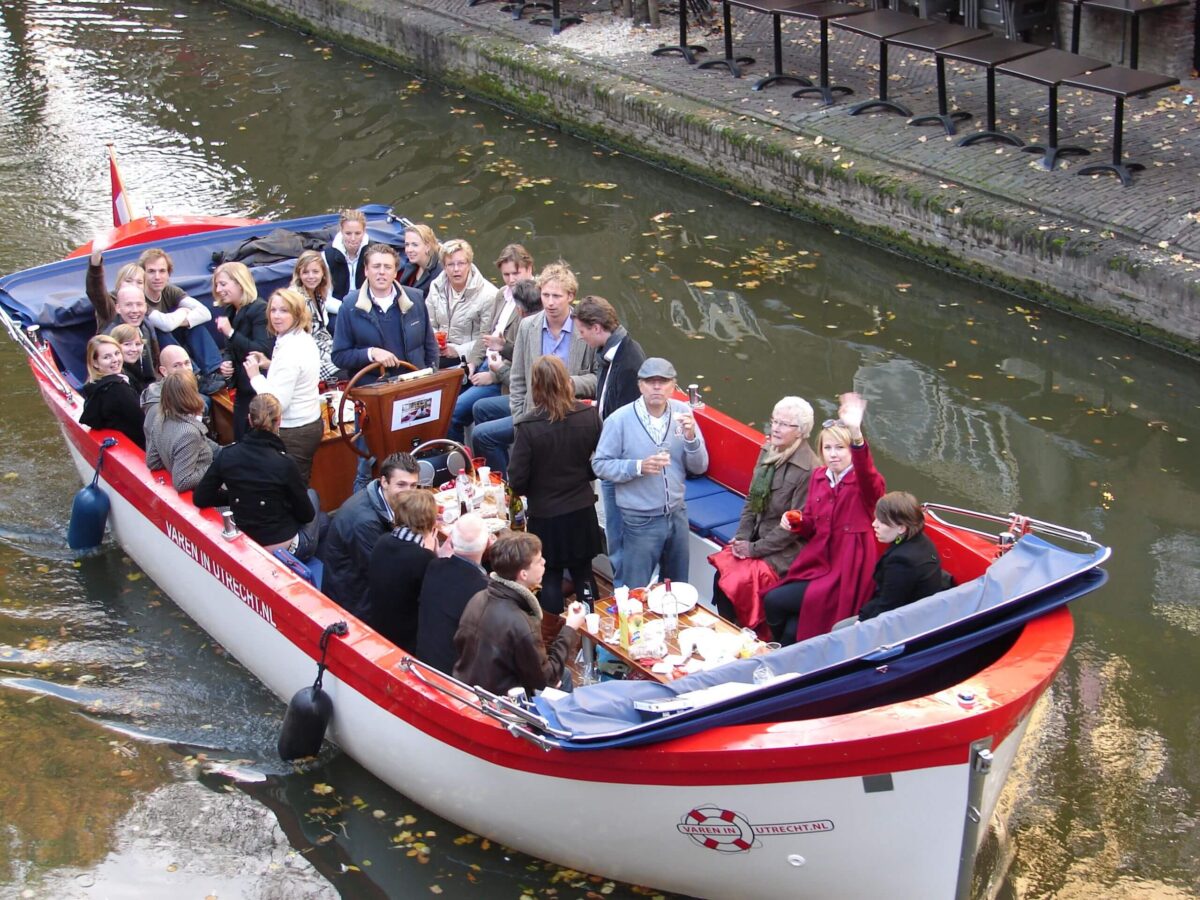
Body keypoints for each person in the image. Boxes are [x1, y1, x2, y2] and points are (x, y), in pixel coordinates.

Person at [763, 392, 886, 645]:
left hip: (847, 568)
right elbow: (812, 526)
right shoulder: (819, 477)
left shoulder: (864, 483)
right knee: (791, 627)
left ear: (851, 451)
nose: (833, 454)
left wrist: (856, 433)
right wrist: (797, 521)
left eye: (840, 448)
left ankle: (782, 651)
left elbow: (867, 472)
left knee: (775, 601)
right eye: (827, 448)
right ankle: (782, 651)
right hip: (818, 561)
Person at [471, 262, 596, 476]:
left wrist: (569, 383)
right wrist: (520, 420)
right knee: (483, 432)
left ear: (571, 296)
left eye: (556, 296)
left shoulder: (585, 329)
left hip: (571, 416)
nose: (550, 302)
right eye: (545, 295)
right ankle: (507, 485)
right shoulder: (528, 326)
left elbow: (598, 379)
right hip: (534, 413)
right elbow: (519, 377)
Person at [592, 358, 708, 589]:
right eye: (650, 381)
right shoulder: (619, 420)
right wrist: (638, 467)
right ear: (640, 385)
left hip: (677, 514)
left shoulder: (683, 413)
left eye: (663, 381)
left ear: (673, 385)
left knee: (678, 588)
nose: (657, 387)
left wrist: (691, 438)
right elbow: (600, 465)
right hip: (639, 521)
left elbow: (699, 467)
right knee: (636, 590)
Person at [330, 243, 437, 490]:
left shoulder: (415, 299)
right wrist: (371, 354)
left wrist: (430, 382)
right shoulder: (350, 305)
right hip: (371, 402)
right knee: (368, 465)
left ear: (395, 271)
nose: (381, 272)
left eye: (387, 267)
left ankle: (416, 508)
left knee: (416, 459)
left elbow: (430, 347)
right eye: (376, 266)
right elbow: (339, 356)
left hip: (412, 395)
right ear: (366, 270)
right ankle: (366, 509)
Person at [708, 397, 819, 632]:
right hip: (757, 537)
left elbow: (793, 528)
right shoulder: (768, 451)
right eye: (774, 421)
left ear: (801, 431)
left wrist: (753, 549)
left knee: (738, 581)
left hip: (785, 550)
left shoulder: (809, 469)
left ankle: (748, 634)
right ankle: (730, 629)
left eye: (784, 424)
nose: (775, 428)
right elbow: (752, 500)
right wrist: (742, 538)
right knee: (721, 576)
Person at [508, 356, 602, 614]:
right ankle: (591, 626)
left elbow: (517, 480)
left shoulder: (528, 426)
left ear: (536, 386)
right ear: (566, 381)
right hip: (582, 510)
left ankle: (553, 632)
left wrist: (535, 488)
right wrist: (584, 473)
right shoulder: (589, 416)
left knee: (550, 576)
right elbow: (603, 462)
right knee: (584, 573)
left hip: (546, 516)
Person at [452, 531, 586, 696]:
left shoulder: (478, 598)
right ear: (523, 574)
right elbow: (546, 680)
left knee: (562, 675)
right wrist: (570, 628)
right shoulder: (520, 622)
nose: (544, 562)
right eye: (538, 560)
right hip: (501, 700)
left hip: (468, 685)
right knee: (562, 678)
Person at [573, 294, 646, 586]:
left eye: (582, 331)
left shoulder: (627, 363)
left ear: (596, 327)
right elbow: (609, 403)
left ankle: (624, 588)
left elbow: (627, 420)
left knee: (619, 533)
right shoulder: (612, 353)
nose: (580, 337)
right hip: (611, 456)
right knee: (616, 533)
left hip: (619, 463)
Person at [193, 394, 320, 560]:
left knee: (323, 521)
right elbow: (307, 515)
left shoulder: (228, 455)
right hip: (283, 548)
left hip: (245, 538)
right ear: (279, 421)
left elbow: (201, 497)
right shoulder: (285, 463)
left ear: (249, 419)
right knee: (313, 497)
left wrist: (237, 496)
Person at [318, 451, 420, 618]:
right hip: (353, 606)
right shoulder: (365, 522)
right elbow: (386, 576)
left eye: (413, 485)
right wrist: (426, 552)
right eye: (401, 485)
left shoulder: (381, 500)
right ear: (384, 482)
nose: (409, 493)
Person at [243, 288, 323, 484]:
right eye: (273, 310)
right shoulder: (299, 338)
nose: (277, 316)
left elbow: (278, 403)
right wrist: (269, 364)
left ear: (297, 313)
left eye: (284, 311)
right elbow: (295, 374)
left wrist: (255, 377)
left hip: (295, 431)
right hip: (308, 423)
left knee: (293, 488)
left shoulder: (291, 350)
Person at [414, 514, 490, 673]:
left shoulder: (434, 566)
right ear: (488, 543)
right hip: (454, 674)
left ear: (452, 541)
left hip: (424, 660)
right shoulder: (484, 590)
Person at [364, 489, 439, 650]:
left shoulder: (382, 541)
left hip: (379, 626)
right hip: (407, 641)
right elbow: (435, 601)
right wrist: (435, 556)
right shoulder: (423, 558)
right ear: (430, 520)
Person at [138, 247, 223, 386]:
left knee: (195, 326)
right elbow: (165, 325)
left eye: (162, 271)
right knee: (161, 330)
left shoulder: (170, 290)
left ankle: (215, 371)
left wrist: (183, 321)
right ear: (143, 274)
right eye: (151, 271)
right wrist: (183, 312)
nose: (157, 277)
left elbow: (205, 313)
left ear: (168, 274)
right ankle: (194, 376)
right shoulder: (138, 297)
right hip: (151, 349)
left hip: (175, 343)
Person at [856, 492, 948, 621]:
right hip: (921, 607)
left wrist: (861, 621)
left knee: (839, 627)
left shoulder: (902, 562)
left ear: (901, 528)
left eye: (882, 522)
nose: (874, 524)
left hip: (911, 620)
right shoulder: (921, 540)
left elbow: (887, 608)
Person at [212, 261, 273, 441]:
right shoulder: (231, 310)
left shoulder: (259, 309)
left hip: (258, 388)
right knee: (240, 437)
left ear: (240, 283)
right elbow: (231, 348)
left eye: (223, 284)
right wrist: (227, 361)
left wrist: (230, 332)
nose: (218, 289)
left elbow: (261, 350)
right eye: (217, 285)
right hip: (242, 386)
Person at [423, 238, 499, 368]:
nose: (456, 269)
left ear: (469, 264)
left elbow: (486, 338)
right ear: (444, 266)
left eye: (461, 263)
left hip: (467, 356)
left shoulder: (489, 295)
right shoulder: (436, 286)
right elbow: (429, 323)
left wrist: (457, 351)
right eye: (450, 264)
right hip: (437, 351)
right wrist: (435, 340)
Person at [144, 370, 217, 492]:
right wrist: (216, 467)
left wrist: (174, 460)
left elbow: (153, 462)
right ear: (191, 394)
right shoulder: (189, 433)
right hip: (201, 494)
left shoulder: (161, 418)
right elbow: (182, 482)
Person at [79, 334, 145, 449]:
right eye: (107, 357)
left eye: (117, 353)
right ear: (95, 363)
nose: (115, 360)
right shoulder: (117, 390)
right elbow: (143, 422)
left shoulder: (96, 385)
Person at [290, 249, 340, 382]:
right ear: (299, 274)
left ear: (323, 273)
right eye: (305, 272)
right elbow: (300, 339)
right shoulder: (296, 297)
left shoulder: (319, 293)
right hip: (305, 352)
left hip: (323, 346)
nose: (311, 276)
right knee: (343, 372)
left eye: (315, 271)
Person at [323, 208, 368, 316]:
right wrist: (347, 310)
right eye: (348, 233)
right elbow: (325, 297)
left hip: (366, 308)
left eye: (357, 233)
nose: (353, 238)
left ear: (364, 231)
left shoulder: (372, 253)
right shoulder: (327, 255)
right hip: (337, 310)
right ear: (341, 231)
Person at [398, 223, 442, 297]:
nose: (409, 250)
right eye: (407, 244)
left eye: (415, 245)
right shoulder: (412, 264)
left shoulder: (439, 274)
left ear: (427, 247)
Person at [110, 323, 152, 395]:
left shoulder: (137, 368)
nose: (134, 349)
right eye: (127, 344)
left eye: (138, 344)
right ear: (114, 345)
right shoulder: (118, 377)